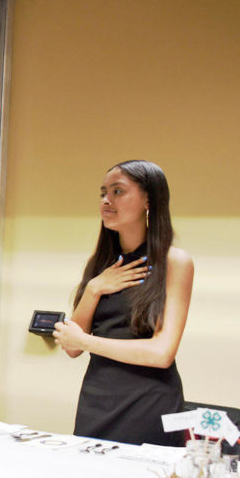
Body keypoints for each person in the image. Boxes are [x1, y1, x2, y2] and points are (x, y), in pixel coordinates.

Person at [53, 160, 194, 446]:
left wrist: (88, 342)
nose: (106, 200)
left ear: (148, 200)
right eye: (103, 193)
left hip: (148, 403)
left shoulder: (174, 262)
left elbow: (161, 353)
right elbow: (71, 347)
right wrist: (94, 288)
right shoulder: (102, 266)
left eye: (118, 191)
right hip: (98, 400)